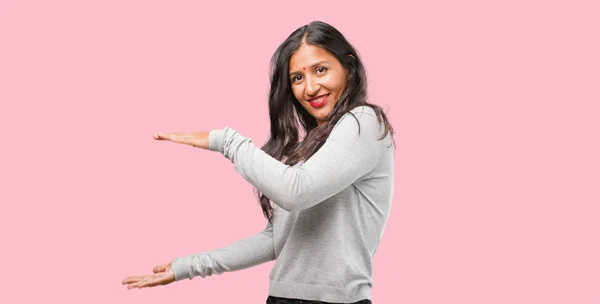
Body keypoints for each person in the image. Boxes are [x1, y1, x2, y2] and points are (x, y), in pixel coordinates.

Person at [122, 20, 396, 304]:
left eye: (321, 70)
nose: (311, 87)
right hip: (281, 298)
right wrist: (189, 267)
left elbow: (295, 192)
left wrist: (226, 141)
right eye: (297, 78)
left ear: (348, 68)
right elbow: (276, 239)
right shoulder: (312, 147)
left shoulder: (364, 123)